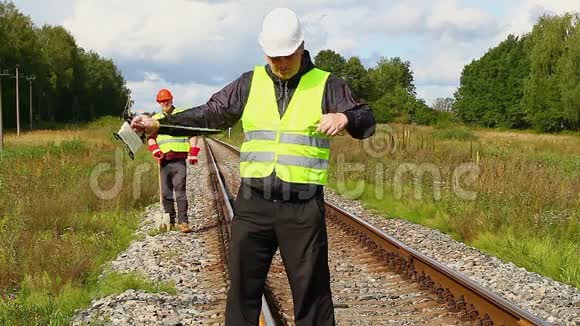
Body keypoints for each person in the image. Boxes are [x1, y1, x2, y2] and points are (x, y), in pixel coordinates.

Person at [132, 8, 375, 325]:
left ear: (301, 47)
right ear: (264, 51)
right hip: (254, 204)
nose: (281, 64)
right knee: (243, 291)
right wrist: (159, 126)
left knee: (312, 296)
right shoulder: (250, 83)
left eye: (287, 55)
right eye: (274, 57)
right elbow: (210, 114)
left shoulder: (327, 85)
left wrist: (344, 117)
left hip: (302, 209)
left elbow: (366, 119)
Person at [148, 88, 200, 234]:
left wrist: (193, 152)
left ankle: (183, 222)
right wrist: (155, 150)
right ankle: (170, 221)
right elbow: (151, 138)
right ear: (159, 102)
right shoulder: (156, 119)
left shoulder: (181, 116)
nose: (165, 103)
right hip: (163, 161)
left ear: (172, 99)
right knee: (165, 192)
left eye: (167, 100)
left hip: (179, 160)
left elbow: (192, 134)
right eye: (162, 101)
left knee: (180, 190)